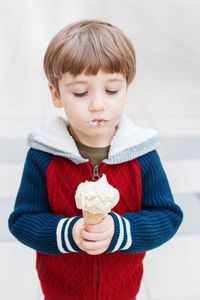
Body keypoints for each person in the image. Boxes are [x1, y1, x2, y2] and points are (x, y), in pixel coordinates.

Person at [8, 19, 183, 300]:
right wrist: (69, 232)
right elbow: (23, 220)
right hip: (60, 290)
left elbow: (167, 216)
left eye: (111, 90)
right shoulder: (43, 155)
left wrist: (120, 230)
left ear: (126, 91)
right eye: (80, 92)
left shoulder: (142, 154)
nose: (98, 103)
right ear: (56, 94)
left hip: (122, 290)